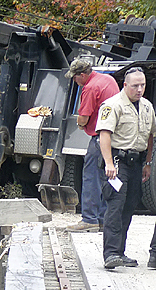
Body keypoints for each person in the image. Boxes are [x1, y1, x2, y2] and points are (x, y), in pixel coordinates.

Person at [96, 66, 156, 270]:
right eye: (135, 86)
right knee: (116, 206)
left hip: (137, 163)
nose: (139, 89)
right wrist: (109, 164)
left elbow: (150, 136)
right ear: (125, 85)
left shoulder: (147, 106)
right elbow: (104, 135)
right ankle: (111, 253)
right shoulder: (112, 105)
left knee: (129, 207)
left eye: (143, 85)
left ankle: (120, 252)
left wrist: (147, 163)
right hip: (118, 162)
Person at [65, 58, 119, 232]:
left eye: (75, 78)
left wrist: (81, 125)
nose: (74, 81)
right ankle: (103, 219)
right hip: (114, 136)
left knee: (91, 177)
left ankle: (89, 219)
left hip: (98, 138)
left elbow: (83, 119)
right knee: (105, 178)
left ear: (82, 75)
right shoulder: (108, 79)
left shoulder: (90, 87)